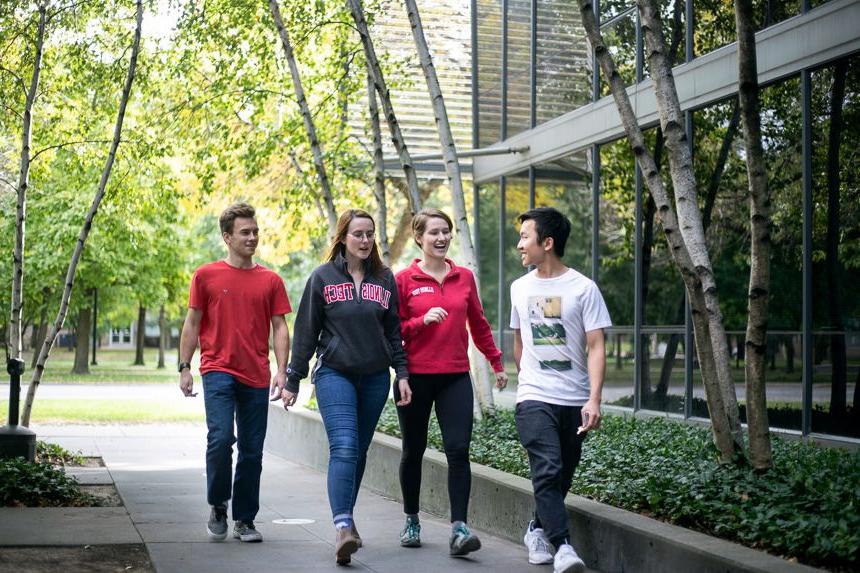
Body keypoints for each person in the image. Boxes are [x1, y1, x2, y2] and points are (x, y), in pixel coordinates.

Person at [283, 208, 412, 565]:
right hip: (334, 373)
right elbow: (306, 331)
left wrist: (401, 373)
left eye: (370, 234)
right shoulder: (322, 277)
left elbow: (393, 333)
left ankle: (348, 520)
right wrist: (293, 377)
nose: (365, 240)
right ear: (343, 238)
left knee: (359, 452)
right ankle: (342, 526)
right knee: (344, 446)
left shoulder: (385, 280)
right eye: (358, 234)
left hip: (373, 378)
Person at [394, 208, 507, 556]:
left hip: (456, 376)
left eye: (446, 232)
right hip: (414, 378)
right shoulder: (403, 281)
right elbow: (391, 332)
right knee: (414, 450)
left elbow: (479, 323)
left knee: (458, 450)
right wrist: (421, 322)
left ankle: (459, 528)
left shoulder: (464, 277)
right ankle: (411, 519)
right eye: (434, 233)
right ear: (419, 237)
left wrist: (496, 362)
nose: (442, 238)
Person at [178, 202, 292, 544]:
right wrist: (185, 367)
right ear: (227, 237)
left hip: (256, 373)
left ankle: (244, 519)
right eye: (245, 232)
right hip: (217, 369)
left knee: (253, 450)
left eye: (255, 231)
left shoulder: (270, 279)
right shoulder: (206, 276)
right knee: (220, 438)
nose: (252, 237)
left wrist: (282, 371)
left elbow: (280, 327)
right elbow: (192, 323)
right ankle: (218, 504)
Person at [510, 207, 610, 573]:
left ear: (547, 243)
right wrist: (528, 382)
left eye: (525, 237)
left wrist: (594, 398)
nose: (519, 244)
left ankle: (536, 529)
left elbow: (596, 345)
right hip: (534, 396)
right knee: (548, 467)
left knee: (563, 472)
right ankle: (563, 547)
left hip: (574, 398)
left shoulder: (583, 288)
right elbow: (519, 342)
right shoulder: (519, 288)